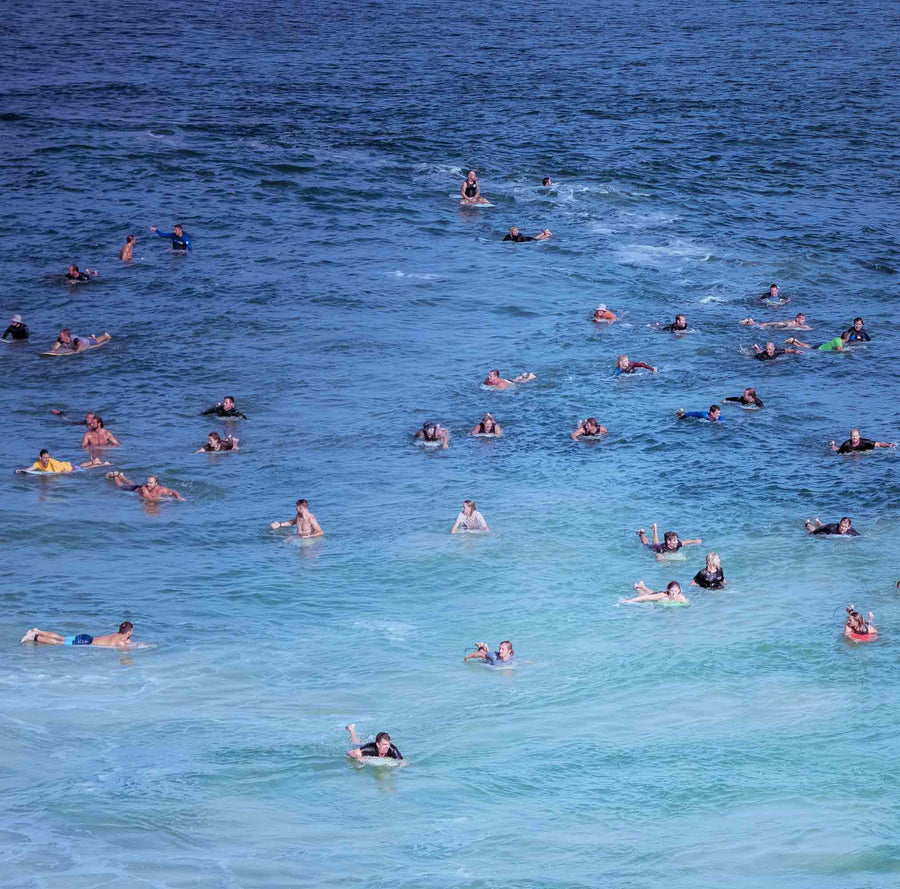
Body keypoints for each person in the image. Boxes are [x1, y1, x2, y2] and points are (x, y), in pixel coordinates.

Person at [20, 621, 134, 647]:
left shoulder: (117, 635)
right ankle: (35, 637)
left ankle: (37, 630)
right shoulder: (120, 642)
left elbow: (128, 642)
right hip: (85, 642)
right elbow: (125, 650)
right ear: (129, 632)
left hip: (87, 637)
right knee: (59, 643)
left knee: (61, 637)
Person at [106, 471, 185, 501]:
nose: (148, 484)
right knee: (120, 486)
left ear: (156, 483)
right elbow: (149, 498)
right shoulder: (144, 488)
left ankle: (122, 476)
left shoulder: (161, 489)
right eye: (148, 482)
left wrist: (178, 497)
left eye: (151, 483)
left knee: (132, 483)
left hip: (137, 487)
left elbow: (173, 492)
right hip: (134, 490)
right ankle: (116, 476)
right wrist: (165, 499)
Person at [637, 523, 701, 559]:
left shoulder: (677, 543)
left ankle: (655, 529)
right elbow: (658, 557)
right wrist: (663, 560)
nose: (677, 541)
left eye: (676, 540)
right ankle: (641, 533)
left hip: (658, 545)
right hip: (654, 548)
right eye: (674, 540)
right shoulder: (661, 549)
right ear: (668, 542)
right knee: (645, 544)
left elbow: (685, 542)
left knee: (656, 543)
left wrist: (695, 541)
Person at [830, 428, 895, 454]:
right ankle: (832, 444)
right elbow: (839, 453)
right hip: (849, 453)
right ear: (850, 436)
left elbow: (879, 444)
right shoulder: (846, 444)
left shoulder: (865, 442)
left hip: (863, 451)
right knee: (836, 449)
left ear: (859, 436)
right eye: (853, 436)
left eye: (856, 436)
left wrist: (888, 445)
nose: (854, 437)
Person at [623, 580, 689, 604]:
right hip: (658, 595)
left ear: (679, 591)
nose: (674, 593)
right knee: (643, 594)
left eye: (676, 591)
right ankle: (638, 588)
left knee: (652, 593)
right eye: (672, 591)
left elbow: (686, 603)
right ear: (668, 590)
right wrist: (630, 600)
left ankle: (642, 586)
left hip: (656, 594)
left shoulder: (681, 598)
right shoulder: (663, 595)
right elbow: (646, 598)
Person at [785, 331, 851, 352]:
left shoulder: (838, 338)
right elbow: (839, 348)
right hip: (819, 348)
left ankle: (793, 342)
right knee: (808, 347)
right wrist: (848, 350)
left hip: (821, 346)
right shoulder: (839, 341)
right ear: (847, 338)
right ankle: (795, 340)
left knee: (808, 346)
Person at [740, 312, 809, 330]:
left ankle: (751, 322)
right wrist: (766, 324)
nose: (804, 321)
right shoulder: (789, 323)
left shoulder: (799, 325)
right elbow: (776, 323)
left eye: (804, 319)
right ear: (797, 319)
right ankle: (749, 322)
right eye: (802, 319)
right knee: (759, 326)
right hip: (775, 328)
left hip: (777, 329)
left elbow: (802, 327)